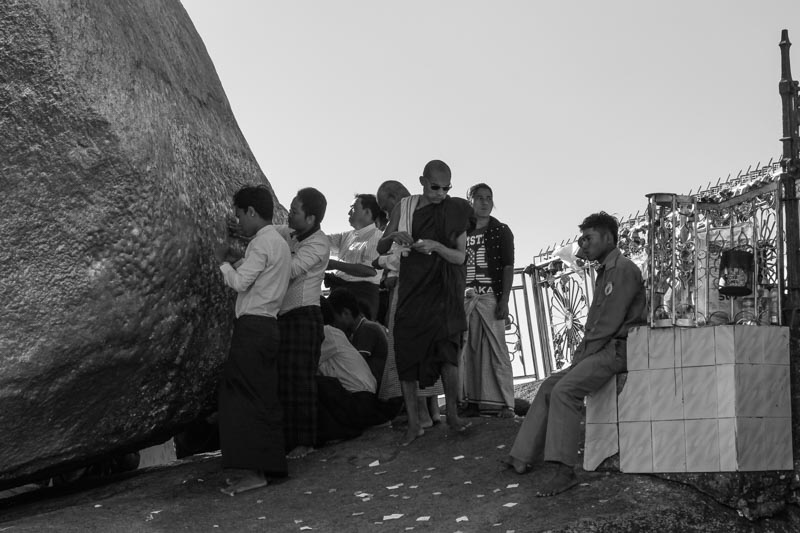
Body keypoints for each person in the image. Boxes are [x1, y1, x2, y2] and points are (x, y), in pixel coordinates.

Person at [503, 212, 646, 497]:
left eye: (588, 238)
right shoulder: (606, 269)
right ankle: (521, 456)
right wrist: (584, 352)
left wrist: (582, 354)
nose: (583, 245)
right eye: (581, 239)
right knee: (548, 386)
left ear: (608, 237)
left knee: (565, 391)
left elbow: (608, 323)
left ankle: (564, 470)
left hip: (618, 349)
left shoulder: (622, 269)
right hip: (601, 349)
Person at [377, 159, 475, 445]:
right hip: (412, 289)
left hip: (444, 291)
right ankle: (414, 424)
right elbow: (382, 246)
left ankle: (453, 416)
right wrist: (394, 235)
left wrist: (436, 246)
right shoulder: (404, 208)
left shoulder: (455, 210)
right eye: (435, 187)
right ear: (422, 181)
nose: (441, 193)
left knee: (447, 351)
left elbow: (459, 256)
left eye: (447, 188)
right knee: (406, 352)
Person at [214, 185, 291, 496]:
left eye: (239, 216)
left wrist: (222, 261)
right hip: (268, 326)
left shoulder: (261, 244)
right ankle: (269, 467)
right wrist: (239, 257)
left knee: (242, 400)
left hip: (253, 328)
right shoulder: (277, 243)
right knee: (263, 398)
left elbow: (241, 282)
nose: (239, 223)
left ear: (251, 212)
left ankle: (253, 472)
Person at [276, 187, 331, 460]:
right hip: (286, 316)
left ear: (310, 219)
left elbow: (292, 270)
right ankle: (289, 439)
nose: (289, 215)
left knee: (302, 381)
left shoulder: (319, 243)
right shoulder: (291, 233)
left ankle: (305, 441)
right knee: (285, 380)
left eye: (294, 211)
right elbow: (269, 232)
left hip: (305, 316)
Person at [460, 183, 516, 418]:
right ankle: (471, 401)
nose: (484, 202)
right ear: (470, 200)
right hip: (466, 297)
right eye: (479, 198)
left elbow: (507, 266)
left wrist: (504, 299)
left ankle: (506, 403)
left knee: (497, 350)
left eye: (489, 198)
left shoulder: (500, 230)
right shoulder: (461, 231)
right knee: (468, 349)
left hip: (490, 296)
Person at [314, 298, 394, 445]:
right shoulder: (335, 333)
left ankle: (339, 432)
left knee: (313, 383)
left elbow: (307, 365)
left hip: (360, 400)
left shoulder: (326, 333)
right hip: (365, 399)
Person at [325, 194, 383, 320]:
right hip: (339, 295)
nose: (348, 212)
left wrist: (334, 264)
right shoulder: (347, 236)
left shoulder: (378, 237)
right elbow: (321, 241)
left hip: (361, 299)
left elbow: (370, 271)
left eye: (353, 208)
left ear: (367, 212)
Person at [327, 287, 388, 388]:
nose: (334, 324)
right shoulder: (357, 331)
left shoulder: (367, 329)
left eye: (335, 318)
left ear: (346, 313)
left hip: (378, 389)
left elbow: (354, 367)